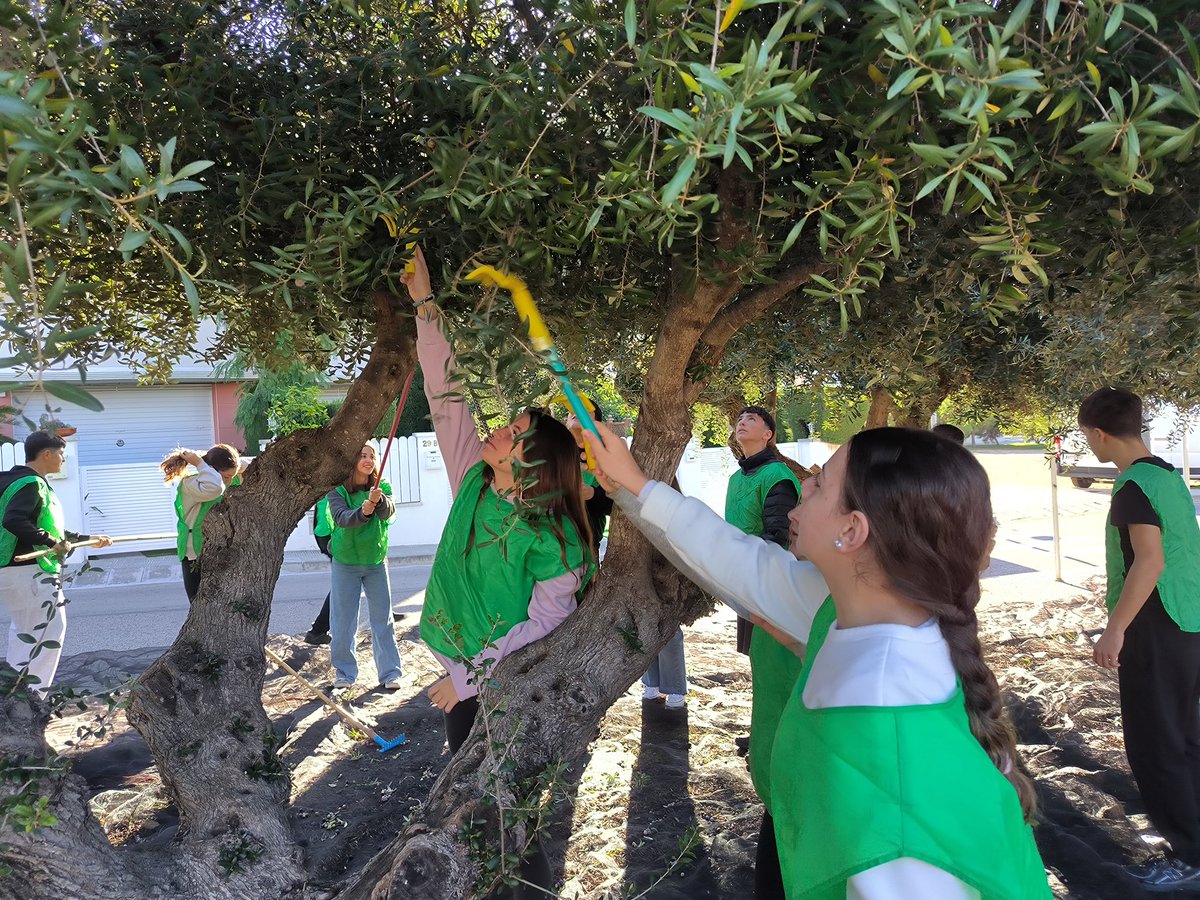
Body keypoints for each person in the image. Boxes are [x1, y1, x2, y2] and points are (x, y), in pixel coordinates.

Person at [585, 422, 1050, 899]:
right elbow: (735, 560)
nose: (803, 481)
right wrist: (633, 484)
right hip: (797, 831)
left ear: (852, 531)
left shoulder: (887, 756)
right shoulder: (856, 612)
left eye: (822, 482)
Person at [405, 246, 593, 898]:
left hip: (511, 687)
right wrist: (425, 305)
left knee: (505, 812)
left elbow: (543, 629)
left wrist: (467, 678)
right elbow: (446, 396)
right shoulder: (475, 485)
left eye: (511, 431)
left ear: (534, 461)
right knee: (474, 805)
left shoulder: (557, 542)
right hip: (468, 677)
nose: (494, 431)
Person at [1079, 387, 1200, 891]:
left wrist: (1114, 630)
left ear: (1099, 433)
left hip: (1157, 629)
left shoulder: (1132, 487)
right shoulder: (1167, 474)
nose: (1088, 444)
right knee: (1185, 738)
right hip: (1189, 622)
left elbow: (1150, 561)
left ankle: (1189, 853)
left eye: (1086, 435)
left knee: (1156, 744)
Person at [725, 405, 804, 895]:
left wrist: (761, 587)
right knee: (759, 667)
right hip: (744, 587)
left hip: (764, 589)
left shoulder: (776, 476)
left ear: (770, 433)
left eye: (752, 419)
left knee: (776, 670)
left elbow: (778, 539)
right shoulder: (740, 477)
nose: (742, 423)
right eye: (739, 420)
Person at [0, 431, 111, 692]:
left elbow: (44, 528)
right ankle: (30, 700)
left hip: (15, 571)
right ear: (46, 454)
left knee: (25, 633)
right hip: (29, 570)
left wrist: (87, 538)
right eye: (61, 453)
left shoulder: (13, 481)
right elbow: (14, 521)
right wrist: (52, 544)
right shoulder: (31, 484)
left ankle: (18, 696)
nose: (63, 458)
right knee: (46, 633)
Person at [326, 444, 405, 691]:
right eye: (362, 455)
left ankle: (390, 673)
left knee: (383, 619)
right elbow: (341, 518)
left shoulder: (384, 487)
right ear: (352, 459)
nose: (368, 459)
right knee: (343, 621)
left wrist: (378, 501)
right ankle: (344, 674)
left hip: (375, 562)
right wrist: (362, 511)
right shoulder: (337, 489)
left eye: (372, 455)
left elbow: (389, 513)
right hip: (345, 562)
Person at [160, 444, 246, 602]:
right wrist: (200, 463)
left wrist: (233, 461)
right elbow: (215, 488)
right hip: (194, 552)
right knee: (199, 604)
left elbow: (250, 466)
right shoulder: (192, 483)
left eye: (231, 476)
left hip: (219, 549)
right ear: (211, 470)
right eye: (226, 476)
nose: (229, 481)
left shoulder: (216, 478)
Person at [304, 496, 334, 645]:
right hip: (331, 535)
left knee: (357, 577)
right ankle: (317, 631)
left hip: (327, 533)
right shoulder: (341, 479)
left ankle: (386, 615)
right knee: (343, 583)